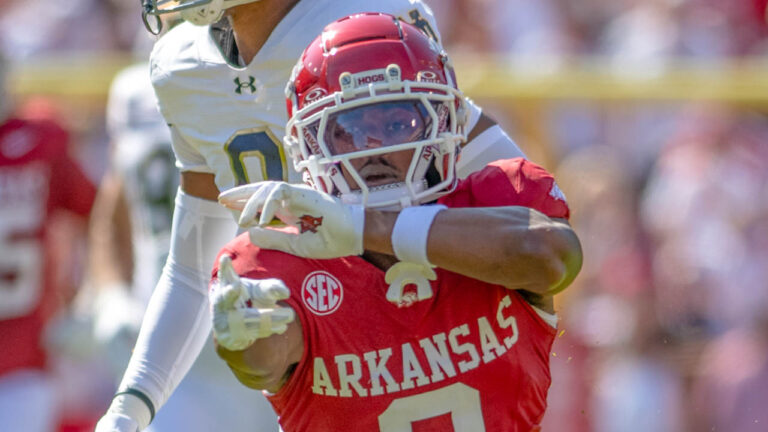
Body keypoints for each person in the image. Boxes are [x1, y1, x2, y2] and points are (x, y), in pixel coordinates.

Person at [96, 0, 529, 430]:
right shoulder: (181, 65)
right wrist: (128, 409)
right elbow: (191, 268)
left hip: (401, 330)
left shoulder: (368, 17)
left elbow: (520, 199)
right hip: (282, 343)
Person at [210, 13, 582, 431]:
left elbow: (553, 259)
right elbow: (265, 358)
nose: (372, 148)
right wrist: (243, 340)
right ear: (311, 144)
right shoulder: (278, 256)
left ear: (442, 122)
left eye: (396, 124)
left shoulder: (497, 202)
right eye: (347, 129)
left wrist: (360, 227)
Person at [88, 61, 278, 431]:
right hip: (173, 340)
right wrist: (111, 293)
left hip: (274, 326)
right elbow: (115, 206)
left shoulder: (278, 60)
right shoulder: (133, 89)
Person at [0, 51, 97, 432]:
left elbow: (99, 211)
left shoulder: (41, 142)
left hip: (25, 365)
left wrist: (92, 292)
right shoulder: (41, 141)